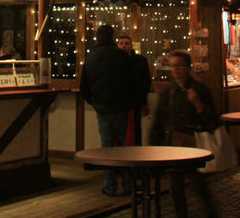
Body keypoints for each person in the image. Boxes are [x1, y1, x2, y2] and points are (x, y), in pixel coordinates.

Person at [149, 50, 218, 218]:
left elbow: (211, 120)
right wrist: (153, 147)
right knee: (176, 188)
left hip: (194, 145)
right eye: (172, 66)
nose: (176, 70)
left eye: (179, 66)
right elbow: (158, 121)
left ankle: (212, 214)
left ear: (188, 68)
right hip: (174, 145)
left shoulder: (199, 90)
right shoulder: (168, 92)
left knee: (199, 185)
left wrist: (197, 104)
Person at [80, 24, 133, 196]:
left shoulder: (90, 57)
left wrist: (96, 102)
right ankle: (128, 185)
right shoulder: (121, 56)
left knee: (107, 148)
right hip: (121, 106)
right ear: (112, 37)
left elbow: (84, 87)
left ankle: (110, 186)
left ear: (97, 37)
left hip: (102, 108)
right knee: (124, 148)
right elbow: (130, 81)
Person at [117, 34, 151, 145]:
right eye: (121, 43)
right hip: (119, 102)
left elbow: (146, 81)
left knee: (135, 131)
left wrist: (143, 100)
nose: (124, 46)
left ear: (131, 46)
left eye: (126, 44)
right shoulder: (114, 62)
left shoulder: (140, 60)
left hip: (135, 101)